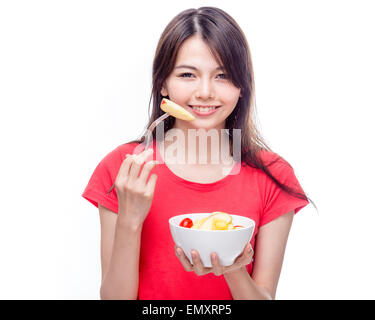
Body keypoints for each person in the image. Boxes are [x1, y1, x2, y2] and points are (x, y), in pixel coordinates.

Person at [82, 7, 314, 300]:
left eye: (222, 75)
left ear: (242, 86)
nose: (205, 92)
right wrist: (130, 217)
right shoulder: (124, 167)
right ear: (163, 83)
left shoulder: (273, 175)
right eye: (188, 74)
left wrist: (231, 266)